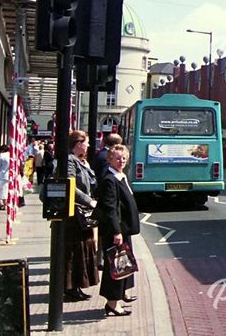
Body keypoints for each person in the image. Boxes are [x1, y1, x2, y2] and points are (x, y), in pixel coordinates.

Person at [97, 145, 140, 316]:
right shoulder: (110, 180)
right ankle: (112, 304)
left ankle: (120, 296)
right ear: (109, 159)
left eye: (123, 158)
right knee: (115, 267)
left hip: (124, 230)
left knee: (124, 265)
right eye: (117, 158)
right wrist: (116, 232)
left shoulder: (120, 176)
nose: (121, 161)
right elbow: (110, 208)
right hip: (116, 232)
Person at [65, 131, 99, 302]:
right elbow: (69, 184)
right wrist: (89, 201)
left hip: (82, 214)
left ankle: (76, 287)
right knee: (74, 252)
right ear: (78, 143)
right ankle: (70, 289)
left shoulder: (79, 161)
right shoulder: (69, 160)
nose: (88, 145)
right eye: (86, 142)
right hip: (74, 215)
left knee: (82, 251)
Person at [0, 145, 11, 211]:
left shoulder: (2, 155)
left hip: (2, 175)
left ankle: (5, 205)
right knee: (6, 190)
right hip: (9, 175)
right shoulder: (11, 155)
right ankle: (6, 204)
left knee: (2, 191)